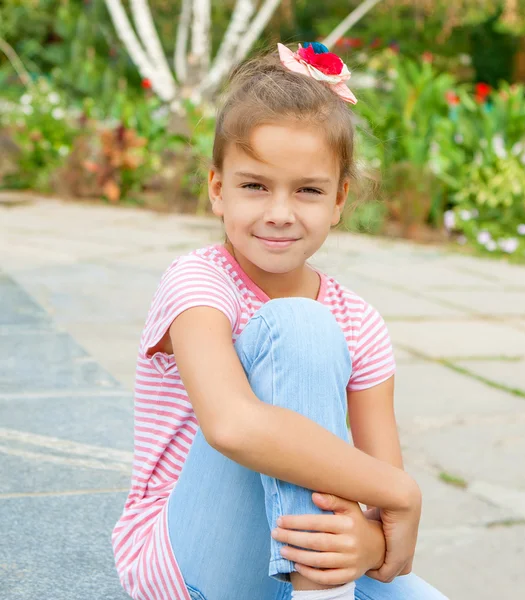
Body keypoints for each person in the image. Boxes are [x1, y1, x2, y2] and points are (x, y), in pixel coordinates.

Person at [112, 42, 447, 600]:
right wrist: (401, 492)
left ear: (339, 200)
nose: (280, 212)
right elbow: (232, 426)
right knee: (299, 326)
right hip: (190, 555)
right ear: (218, 189)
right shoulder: (198, 282)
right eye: (254, 185)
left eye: (309, 191)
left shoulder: (360, 321)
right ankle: (320, 593)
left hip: (296, 542)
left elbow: (382, 519)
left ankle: (318, 586)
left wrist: (369, 540)